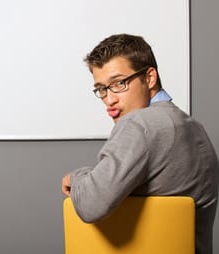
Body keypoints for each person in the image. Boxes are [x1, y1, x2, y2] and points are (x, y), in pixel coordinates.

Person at [61, 33, 219, 254]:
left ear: (150, 78)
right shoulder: (196, 129)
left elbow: (91, 206)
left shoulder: (137, 124)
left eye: (119, 83)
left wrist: (78, 177)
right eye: (101, 89)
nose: (109, 99)